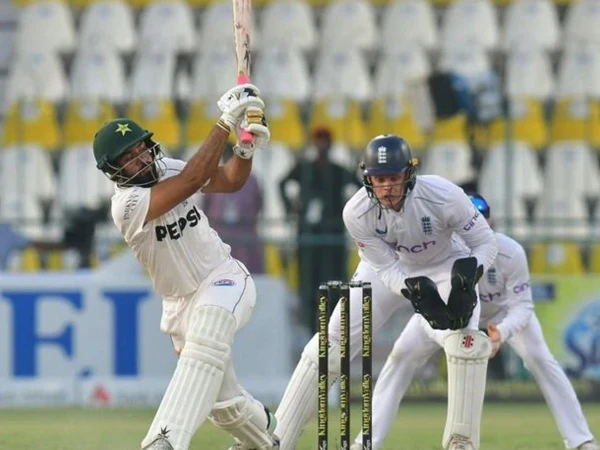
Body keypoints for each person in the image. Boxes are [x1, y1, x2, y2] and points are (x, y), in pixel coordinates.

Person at [273, 134, 498, 450]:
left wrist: (471, 273)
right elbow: (386, 268)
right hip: (389, 268)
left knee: (466, 343)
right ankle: (276, 438)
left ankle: (462, 442)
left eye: (394, 178)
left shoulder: (443, 194)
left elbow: (486, 242)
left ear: (409, 173)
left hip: (446, 262)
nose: (387, 188)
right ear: (367, 178)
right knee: (331, 342)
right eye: (379, 180)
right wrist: (413, 292)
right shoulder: (356, 212)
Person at [92, 84, 279, 450]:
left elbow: (230, 180)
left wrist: (245, 149)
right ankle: (266, 434)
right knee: (224, 406)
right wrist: (226, 121)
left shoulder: (168, 168)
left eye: (141, 147)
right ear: (113, 170)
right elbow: (192, 179)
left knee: (206, 338)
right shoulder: (126, 206)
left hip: (223, 276)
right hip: (178, 305)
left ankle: (164, 439)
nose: (141, 157)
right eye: (129, 156)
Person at [352, 193, 599, 450]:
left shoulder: (510, 252)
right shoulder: (436, 255)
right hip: (450, 318)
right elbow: (427, 306)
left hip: (502, 314)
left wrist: (501, 333)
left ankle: (581, 440)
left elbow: (522, 306)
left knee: (541, 359)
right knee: (401, 356)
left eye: (483, 220)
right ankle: (366, 442)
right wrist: (449, 337)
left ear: (489, 224)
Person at [279, 126, 360, 333]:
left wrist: (348, 210)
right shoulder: (305, 168)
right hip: (308, 236)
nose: (322, 145)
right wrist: (291, 209)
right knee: (309, 284)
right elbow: (282, 183)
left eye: (325, 141)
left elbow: (360, 187)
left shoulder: (338, 170)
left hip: (332, 235)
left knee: (334, 282)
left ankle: (333, 328)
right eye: (319, 140)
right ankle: (311, 328)